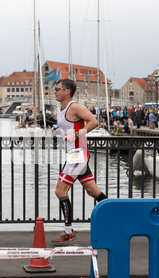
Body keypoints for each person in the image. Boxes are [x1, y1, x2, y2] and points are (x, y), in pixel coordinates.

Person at [51, 79, 107, 245]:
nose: (55, 91)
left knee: (60, 192)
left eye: (57, 89)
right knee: (93, 191)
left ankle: (68, 232)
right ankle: (117, 217)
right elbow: (69, 127)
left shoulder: (74, 106)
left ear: (67, 91)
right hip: (74, 155)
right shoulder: (62, 109)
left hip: (78, 155)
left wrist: (76, 135)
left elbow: (94, 122)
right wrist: (57, 130)